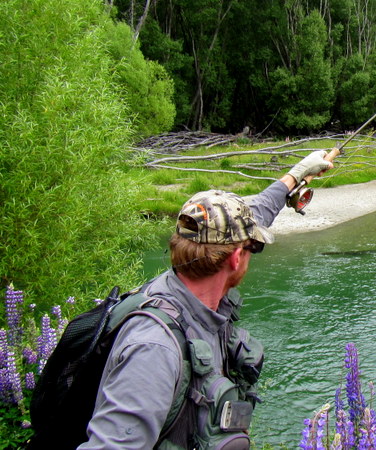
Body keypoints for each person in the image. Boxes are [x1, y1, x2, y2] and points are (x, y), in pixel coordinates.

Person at [77, 150, 333, 449]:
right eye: (253, 247)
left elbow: (257, 212)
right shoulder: (153, 348)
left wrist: (299, 172)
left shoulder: (185, 280)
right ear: (237, 257)